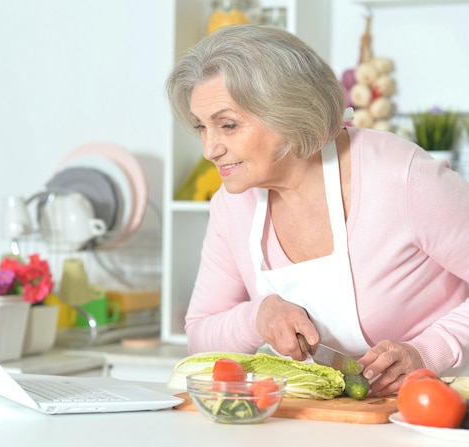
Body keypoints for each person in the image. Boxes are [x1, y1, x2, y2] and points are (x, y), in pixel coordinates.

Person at [166, 25, 469, 397]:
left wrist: (428, 350)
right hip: (332, 416)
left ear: (287, 111)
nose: (209, 150)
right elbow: (200, 335)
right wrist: (258, 316)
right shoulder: (233, 204)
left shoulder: (401, 177)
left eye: (227, 125)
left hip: (441, 406)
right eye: (202, 128)